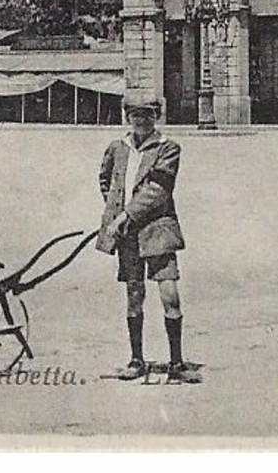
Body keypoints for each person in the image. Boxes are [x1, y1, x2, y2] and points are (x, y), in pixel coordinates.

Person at [98, 98, 198, 384]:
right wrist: (115, 212)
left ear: (157, 117)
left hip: (158, 231)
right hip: (127, 234)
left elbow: (159, 189)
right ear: (127, 117)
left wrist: (125, 214)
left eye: (147, 115)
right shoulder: (118, 148)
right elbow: (105, 180)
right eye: (135, 115)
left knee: (170, 294)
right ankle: (136, 360)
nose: (141, 120)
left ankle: (176, 362)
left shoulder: (168, 148)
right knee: (133, 295)